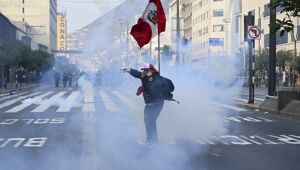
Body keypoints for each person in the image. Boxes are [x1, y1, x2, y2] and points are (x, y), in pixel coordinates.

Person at [123, 64, 174, 145]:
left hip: (156, 104)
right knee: (148, 121)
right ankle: (151, 140)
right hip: (149, 104)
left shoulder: (158, 79)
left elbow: (170, 86)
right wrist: (130, 70)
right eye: (144, 70)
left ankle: (152, 141)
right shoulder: (145, 77)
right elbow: (138, 74)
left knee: (150, 121)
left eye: (147, 70)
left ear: (151, 70)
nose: (145, 72)